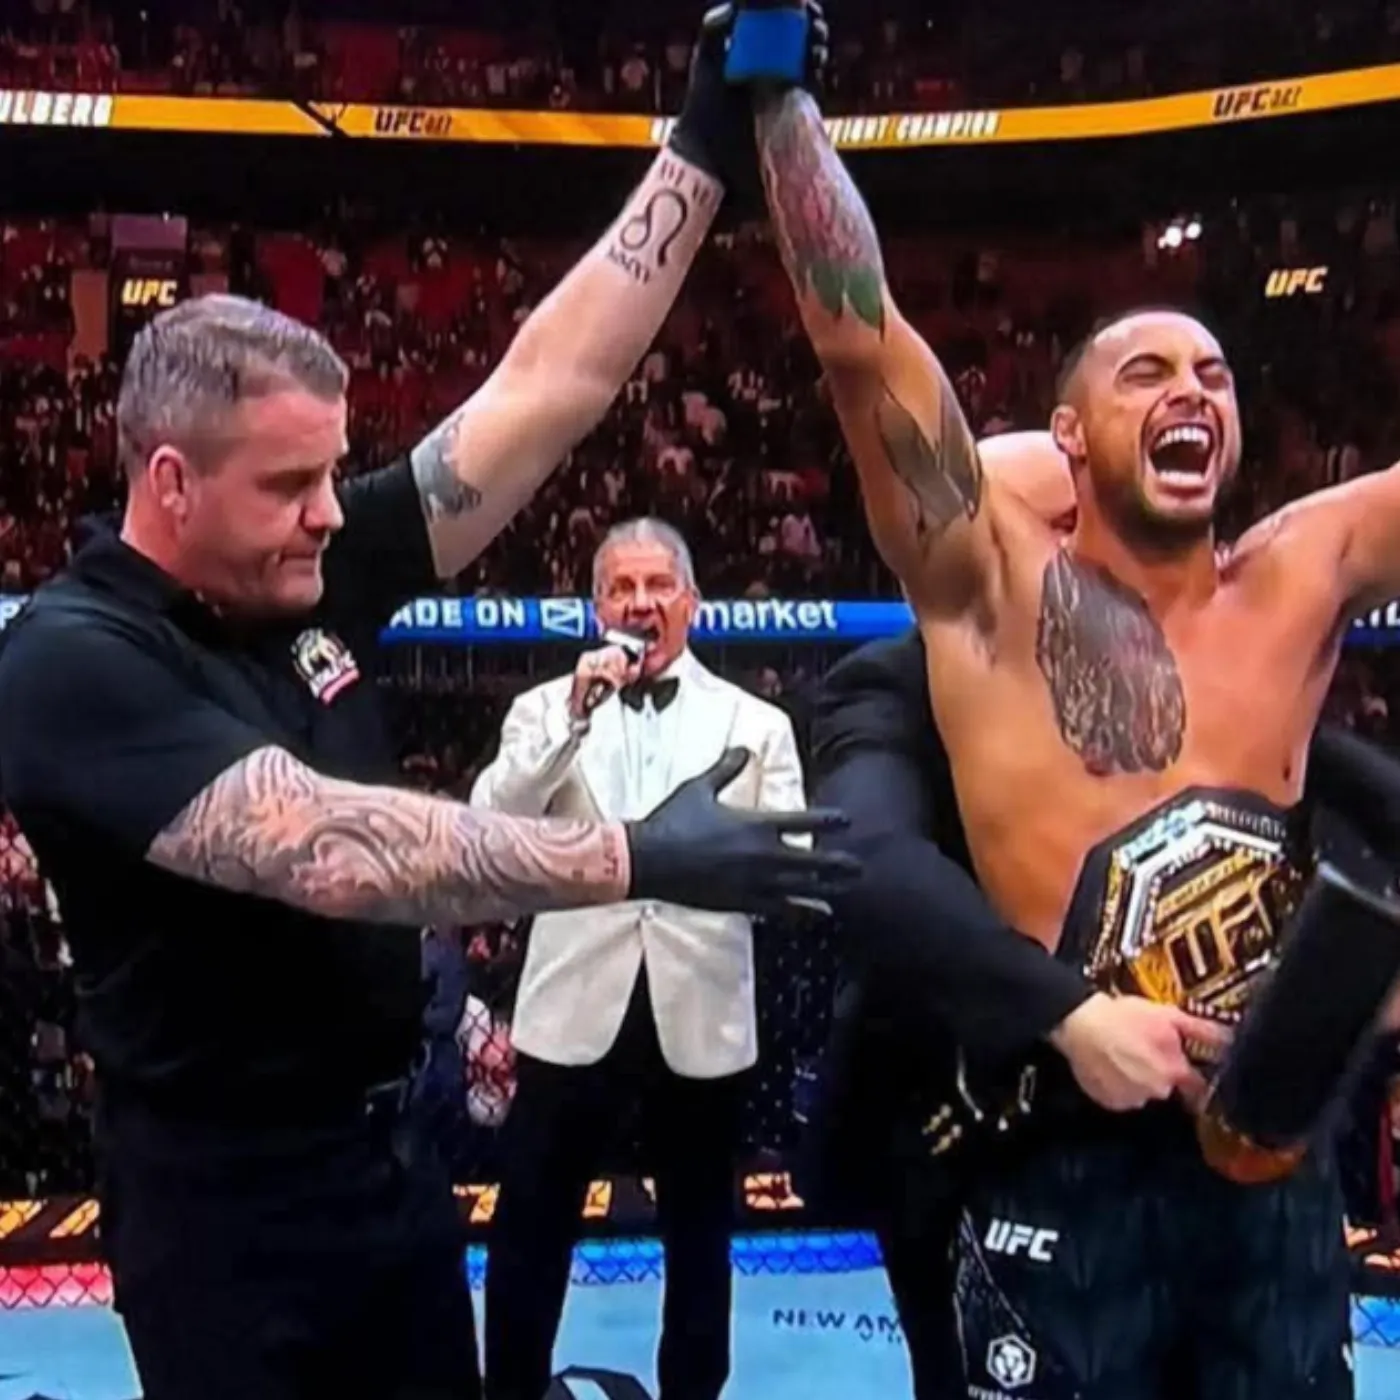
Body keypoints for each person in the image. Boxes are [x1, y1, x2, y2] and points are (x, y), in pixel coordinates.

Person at [0, 16, 858, 1397]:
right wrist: (640, 854)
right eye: (291, 486)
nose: (330, 514)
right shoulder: (73, 657)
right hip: (227, 1212)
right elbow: (325, 848)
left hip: (390, 1167)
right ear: (170, 483)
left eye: (333, 472)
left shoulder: (309, 565)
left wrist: (698, 142)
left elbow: (549, 389)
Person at [738, 24, 1400, 1396]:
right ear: (1066, 436)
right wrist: (776, 93)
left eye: (1212, 375)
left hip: (1266, 1155)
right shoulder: (990, 586)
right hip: (1063, 1141)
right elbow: (858, 339)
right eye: (1144, 374)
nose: (1190, 391)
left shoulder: (1303, 571)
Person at [474, 518, 804, 1400]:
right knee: (531, 1222)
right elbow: (491, 823)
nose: (640, 602)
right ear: (596, 608)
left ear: (690, 603)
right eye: (621, 587)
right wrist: (573, 719)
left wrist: (717, 870)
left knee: (699, 1234)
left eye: (658, 585)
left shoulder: (756, 723)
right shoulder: (543, 710)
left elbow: (790, 867)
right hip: (574, 1003)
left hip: (699, 1006)